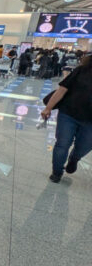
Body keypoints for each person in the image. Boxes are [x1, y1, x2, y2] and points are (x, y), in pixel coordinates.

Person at [41, 53, 92, 182]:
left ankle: (74, 158)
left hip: (90, 122)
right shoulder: (81, 70)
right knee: (62, 144)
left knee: (84, 147)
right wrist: (48, 108)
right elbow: (62, 90)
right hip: (68, 114)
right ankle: (57, 172)